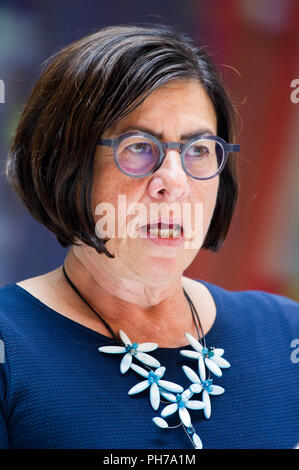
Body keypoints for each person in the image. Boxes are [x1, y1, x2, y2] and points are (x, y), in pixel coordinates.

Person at [0, 24, 298, 450]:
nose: (173, 182)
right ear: (65, 163)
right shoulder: (9, 346)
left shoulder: (285, 332)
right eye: (139, 146)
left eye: (197, 149)